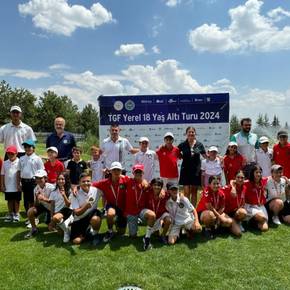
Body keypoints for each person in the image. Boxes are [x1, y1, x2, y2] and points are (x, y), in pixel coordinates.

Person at [92, 162, 128, 242]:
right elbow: (90, 184)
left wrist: (144, 181)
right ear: (110, 171)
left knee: (121, 233)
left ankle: (116, 221)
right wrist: (76, 187)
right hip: (111, 205)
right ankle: (110, 230)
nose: (116, 172)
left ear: (121, 171)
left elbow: (137, 182)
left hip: (123, 207)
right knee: (110, 214)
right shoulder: (104, 182)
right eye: (114, 170)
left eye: (118, 170)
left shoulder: (126, 180)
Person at [124, 164, 155, 250]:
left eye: (140, 172)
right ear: (133, 173)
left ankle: (147, 237)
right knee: (133, 236)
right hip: (131, 212)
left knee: (151, 215)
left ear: (143, 173)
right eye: (136, 172)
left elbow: (157, 188)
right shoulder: (128, 181)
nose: (138, 174)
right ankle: (137, 221)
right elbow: (119, 176)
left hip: (141, 210)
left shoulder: (147, 185)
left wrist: (163, 190)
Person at [70, 173, 102, 245]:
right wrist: (86, 207)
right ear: (79, 183)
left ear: (91, 182)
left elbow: (106, 193)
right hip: (79, 219)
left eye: (88, 181)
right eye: (83, 181)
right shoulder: (75, 193)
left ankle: (95, 235)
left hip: (92, 214)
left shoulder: (96, 190)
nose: (86, 183)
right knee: (76, 241)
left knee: (95, 219)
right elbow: (77, 213)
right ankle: (87, 233)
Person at [178, 127, 206, 206]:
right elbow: (175, 152)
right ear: (186, 134)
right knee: (186, 191)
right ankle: (187, 210)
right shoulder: (182, 144)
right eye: (189, 132)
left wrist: (217, 157)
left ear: (195, 133)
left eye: (192, 132)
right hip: (185, 170)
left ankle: (193, 211)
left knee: (194, 191)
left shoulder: (199, 144)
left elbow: (205, 156)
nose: (191, 133)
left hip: (196, 170)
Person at [24, 170, 55, 238]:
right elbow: (36, 204)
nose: (38, 180)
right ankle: (34, 228)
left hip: (53, 209)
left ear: (45, 178)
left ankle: (51, 221)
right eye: (37, 178)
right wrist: (37, 199)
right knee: (30, 211)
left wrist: (44, 199)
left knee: (51, 228)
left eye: (40, 178)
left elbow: (54, 203)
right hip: (44, 206)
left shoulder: (51, 187)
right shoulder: (35, 189)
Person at [19, 139, 44, 215]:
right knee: (26, 200)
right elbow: (20, 171)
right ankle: (28, 215)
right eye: (25, 147)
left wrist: (40, 183)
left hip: (34, 182)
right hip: (24, 181)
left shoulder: (37, 158)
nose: (27, 148)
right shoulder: (21, 158)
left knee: (33, 200)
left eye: (29, 147)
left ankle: (34, 216)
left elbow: (41, 171)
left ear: (33, 148)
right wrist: (19, 182)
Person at [145, 178, 171, 245]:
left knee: (168, 220)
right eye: (155, 185)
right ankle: (157, 230)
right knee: (155, 234)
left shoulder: (165, 194)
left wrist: (181, 194)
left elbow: (175, 193)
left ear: (162, 187)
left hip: (162, 214)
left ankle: (163, 235)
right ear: (152, 185)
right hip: (152, 216)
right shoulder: (147, 193)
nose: (156, 187)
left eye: (159, 185)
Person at [50, 172, 73, 243]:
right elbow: (52, 205)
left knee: (56, 218)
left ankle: (67, 229)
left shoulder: (70, 190)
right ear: (56, 181)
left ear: (66, 180)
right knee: (60, 233)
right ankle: (66, 229)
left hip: (67, 212)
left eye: (62, 179)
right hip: (57, 213)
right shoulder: (53, 192)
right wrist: (51, 219)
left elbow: (69, 205)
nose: (60, 181)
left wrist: (64, 195)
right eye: (59, 179)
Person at [244, 165, 268, 232]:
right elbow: (233, 181)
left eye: (260, 172)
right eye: (256, 172)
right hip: (250, 206)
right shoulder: (247, 182)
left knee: (265, 228)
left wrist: (285, 178)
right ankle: (252, 218)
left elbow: (272, 177)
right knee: (262, 218)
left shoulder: (263, 181)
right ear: (252, 173)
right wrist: (233, 188)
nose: (259, 174)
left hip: (260, 206)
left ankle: (252, 221)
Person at [0, 145, 21, 222]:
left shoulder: (19, 162)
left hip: (16, 185)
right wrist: (2, 185)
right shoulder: (5, 163)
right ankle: (10, 213)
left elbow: (21, 173)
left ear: (16, 153)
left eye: (12, 154)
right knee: (9, 200)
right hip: (8, 185)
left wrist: (20, 184)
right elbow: (2, 174)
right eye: (8, 154)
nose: (10, 155)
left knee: (16, 200)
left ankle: (17, 214)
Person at [224, 170, 247, 235]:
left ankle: (237, 222)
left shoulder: (244, 187)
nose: (240, 179)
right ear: (235, 178)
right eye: (238, 177)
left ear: (244, 179)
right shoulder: (228, 188)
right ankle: (226, 224)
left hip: (235, 213)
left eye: (242, 178)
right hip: (226, 213)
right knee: (238, 233)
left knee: (243, 212)